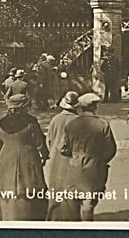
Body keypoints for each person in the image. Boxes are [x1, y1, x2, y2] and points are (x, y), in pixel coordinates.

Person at [59, 92, 117, 221]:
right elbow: (110, 149)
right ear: (94, 107)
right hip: (94, 168)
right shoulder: (103, 125)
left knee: (73, 201)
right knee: (89, 202)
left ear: (80, 107)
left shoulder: (71, 125)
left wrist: (74, 155)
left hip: (74, 166)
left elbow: (64, 149)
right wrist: (100, 160)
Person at [0, 94, 48, 220]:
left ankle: (7, 219)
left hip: (5, 158)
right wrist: (44, 155)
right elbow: (40, 142)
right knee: (27, 188)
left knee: (8, 189)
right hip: (27, 158)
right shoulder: (31, 122)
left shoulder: (2, 123)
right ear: (24, 107)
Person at [46, 91, 79, 220]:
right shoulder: (78, 121)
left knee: (56, 188)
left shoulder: (55, 119)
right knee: (71, 190)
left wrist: (52, 152)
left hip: (56, 158)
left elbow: (49, 140)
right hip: (72, 159)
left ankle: (54, 217)